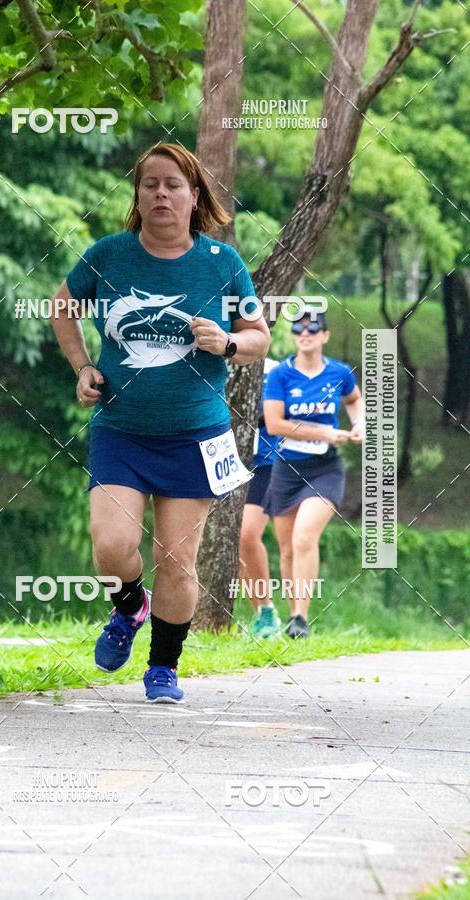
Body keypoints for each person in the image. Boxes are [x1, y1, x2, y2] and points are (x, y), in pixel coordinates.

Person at [51, 143, 269, 702]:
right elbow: (61, 307)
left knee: (177, 558)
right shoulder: (109, 255)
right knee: (111, 546)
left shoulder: (222, 264)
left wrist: (226, 342)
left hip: (195, 434)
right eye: (150, 184)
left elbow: (258, 339)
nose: (161, 194)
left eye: (173, 184)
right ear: (138, 195)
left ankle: (163, 667)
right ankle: (129, 608)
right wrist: (82, 367)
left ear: (194, 196)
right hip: (121, 429)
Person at [263, 310, 363, 639]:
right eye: (298, 328)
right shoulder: (281, 374)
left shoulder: (338, 372)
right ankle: (293, 615)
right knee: (287, 547)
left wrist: (358, 423)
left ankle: (302, 620)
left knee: (305, 536)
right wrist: (322, 431)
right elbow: (275, 424)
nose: (304, 333)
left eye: (312, 328)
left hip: (325, 469)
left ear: (325, 335)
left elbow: (353, 399)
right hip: (287, 468)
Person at [238, 357, 283, 639]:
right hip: (218, 459)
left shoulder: (276, 370)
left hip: (264, 463)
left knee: (245, 535)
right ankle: (259, 613)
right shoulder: (210, 362)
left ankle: (267, 612)